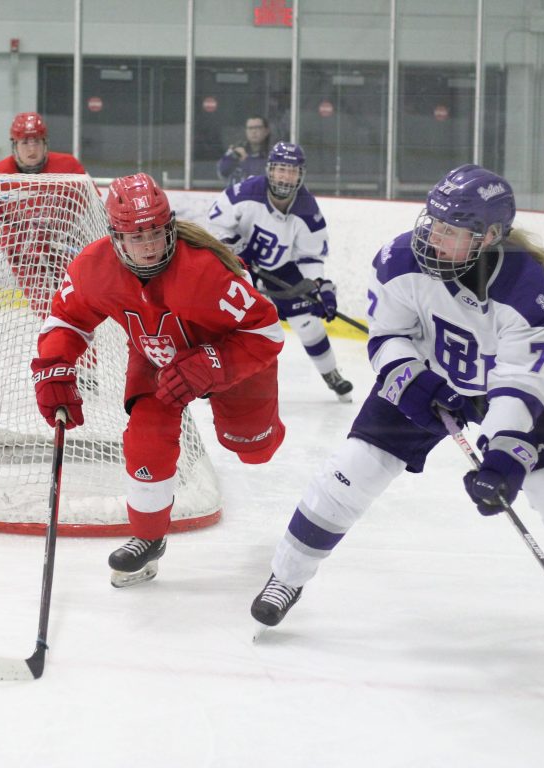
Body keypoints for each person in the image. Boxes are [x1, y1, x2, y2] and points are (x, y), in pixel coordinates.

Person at [249, 164, 544, 658]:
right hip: (430, 378)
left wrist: (501, 457)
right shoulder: (399, 260)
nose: (433, 237)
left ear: (490, 237)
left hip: (508, 391)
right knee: (352, 471)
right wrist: (413, 383)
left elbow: (523, 381)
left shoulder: (528, 290)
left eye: (451, 231)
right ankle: (285, 578)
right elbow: (388, 336)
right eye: (432, 223)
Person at [32, 173, 286, 587]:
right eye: (135, 236)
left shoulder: (206, 271)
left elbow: (266, 333)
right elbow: (67, 319)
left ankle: (263, 429)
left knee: (253, 447)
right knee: (145, 436)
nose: (148, 245)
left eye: (154, 232)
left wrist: (210, 365)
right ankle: (148, 537)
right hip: (157, 356)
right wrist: (54, 366)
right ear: (115, 236)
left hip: (229, 355)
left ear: (169, 227)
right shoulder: (94, 269)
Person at [207, 141, 353, 401]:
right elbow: (218, 222)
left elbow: (310, 255)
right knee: (229, 321)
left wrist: (317, 285)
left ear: (301, 174)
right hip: (239, 263)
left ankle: (331, 373)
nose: (285, 176)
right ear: (270, 170)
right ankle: (214, 376)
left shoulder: (307, 209)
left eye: (292, 171)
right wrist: (230, 247)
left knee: (308, 323)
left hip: (280, 268)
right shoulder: (246, 191)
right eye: (280, 169)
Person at [0, 111, 87, 175]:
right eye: (25, 143)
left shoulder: (69, 167)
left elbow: (92, 206)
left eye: (37, 142)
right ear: (15, 146)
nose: (32, 149)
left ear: (45, 144)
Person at [217, 115, 271, 185]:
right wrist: (233, 157)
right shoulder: (237, 151)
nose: (254, 131)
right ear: (246, 131)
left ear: (266, 131)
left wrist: (246, 162)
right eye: (250, 128)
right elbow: (222, 172)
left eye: (258, 128)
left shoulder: (273, 155)